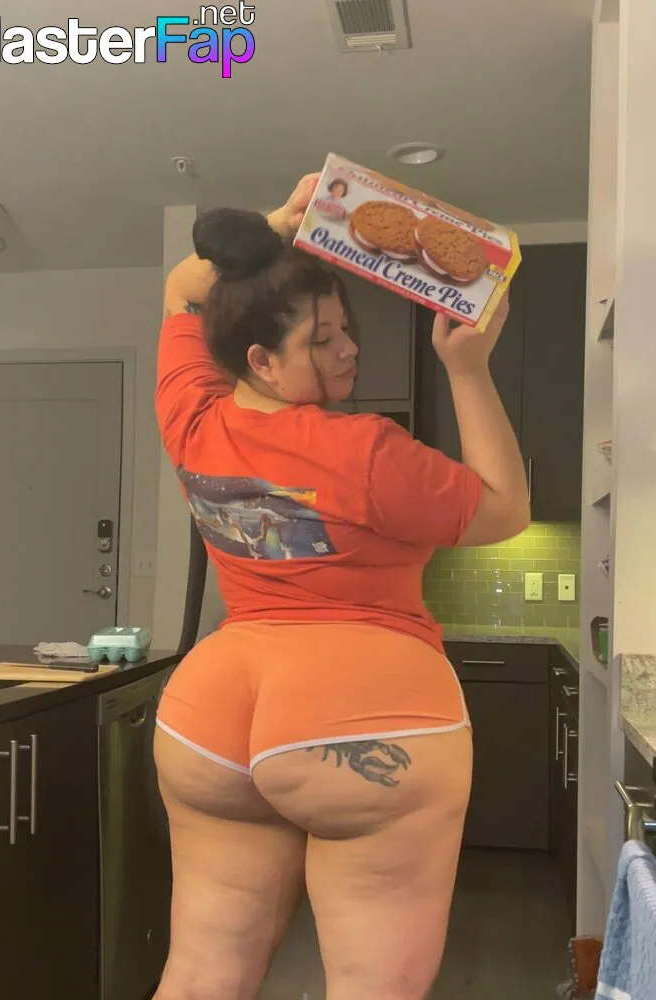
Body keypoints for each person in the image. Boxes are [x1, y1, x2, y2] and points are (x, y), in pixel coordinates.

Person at [153, 173, 530, 1000]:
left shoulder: (191, 415)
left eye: (346, 329)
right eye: (323, 340)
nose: (350, 348)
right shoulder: (366, 452)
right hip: (364, 714)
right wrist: (468, 368)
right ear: (261, 359)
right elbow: (505, 509)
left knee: (201, 975)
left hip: (209, 721)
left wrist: (278, 227)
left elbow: (183, 289)